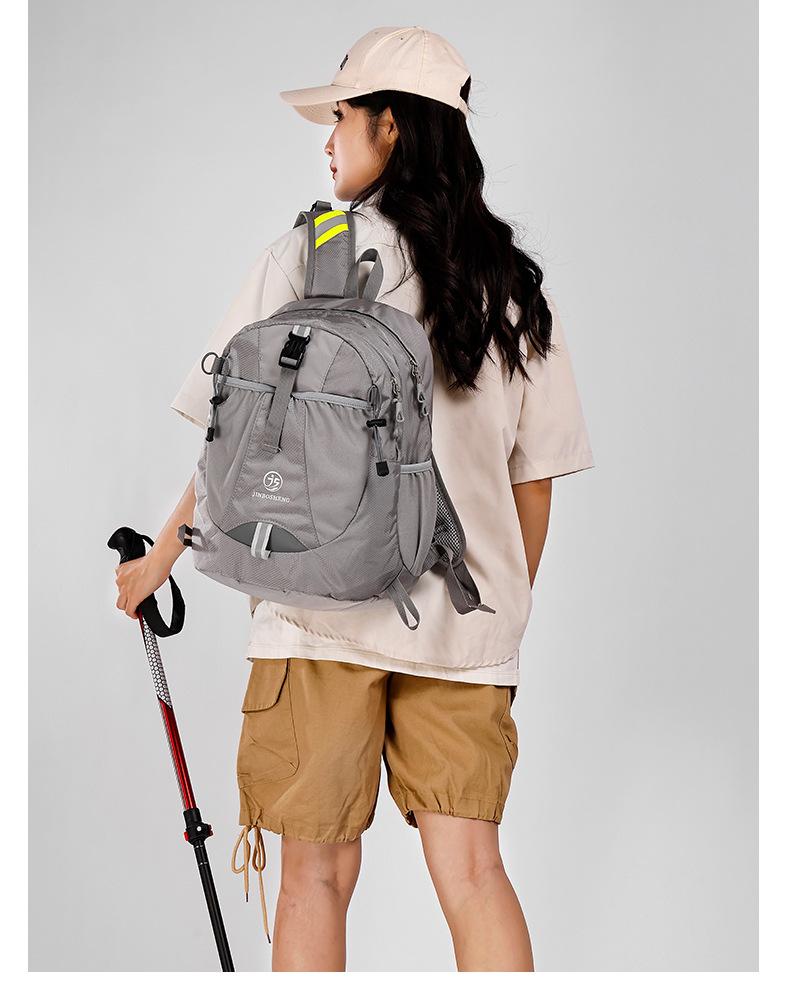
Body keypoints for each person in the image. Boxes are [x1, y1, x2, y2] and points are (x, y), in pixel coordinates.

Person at [114, 25, 594, 972]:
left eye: (339, 117)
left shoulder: (310, 254)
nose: (327, 141)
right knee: (474, 875)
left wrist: (158, 561)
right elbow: (533, 480)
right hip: (463, 623)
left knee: (315, 879)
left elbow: (233, 446)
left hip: (314, 614)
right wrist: (502, 613)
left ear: (392, 126)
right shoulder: (510, 285)